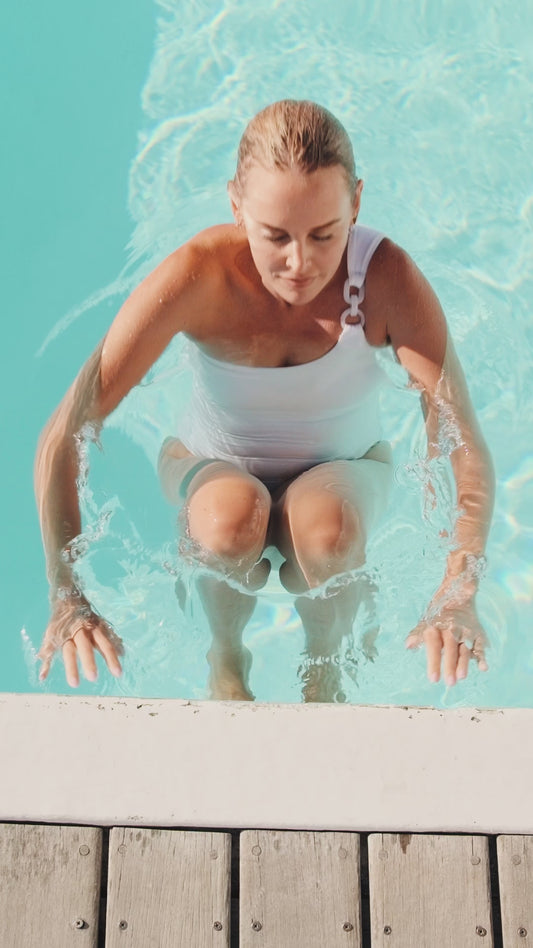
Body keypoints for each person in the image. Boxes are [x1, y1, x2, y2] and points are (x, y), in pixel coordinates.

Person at [35, 100, 494, 701]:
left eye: (325, 234)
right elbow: (65, 430)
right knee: (229, 518)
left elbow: (463, 444)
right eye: (275, 236)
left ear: (357, 203)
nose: (300, 264)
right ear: (236, 206)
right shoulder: (199, 277)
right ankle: (226, 659)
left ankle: (324, 670)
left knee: (327, 528)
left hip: (347, 468)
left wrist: (458, 593)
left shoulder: (386, 280)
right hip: (209, 464)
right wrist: (65, 594)